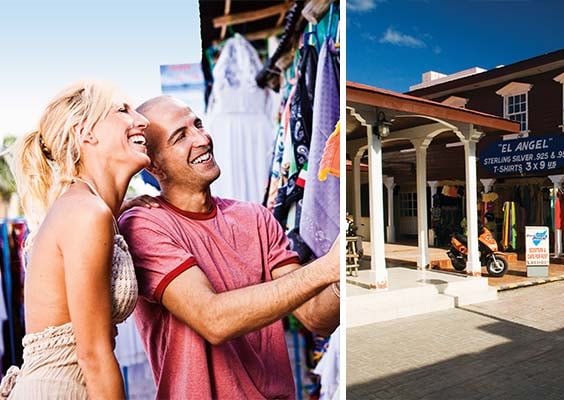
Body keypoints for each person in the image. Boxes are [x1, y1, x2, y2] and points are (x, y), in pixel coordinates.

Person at [119, 96, 339, 398]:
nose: (202, 138)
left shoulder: (256, 218)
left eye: (197, 124)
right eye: (180, 136)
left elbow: (316, 317)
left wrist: (341, 273)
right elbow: (213, 319)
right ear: (153, 164)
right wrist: (326, 268)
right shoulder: (145, 225)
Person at [0, 81, 150, 398]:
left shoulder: (87, 209)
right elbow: (93, 356)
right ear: (86, 133)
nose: (142, 121)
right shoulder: (86, 214)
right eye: (123, 110)